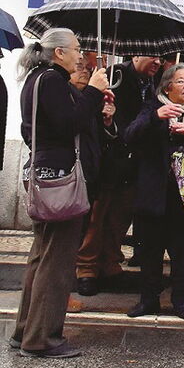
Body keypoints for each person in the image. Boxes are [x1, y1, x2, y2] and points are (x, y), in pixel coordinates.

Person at [12, 29, 110, 359]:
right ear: (58, 54)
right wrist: (94, 93)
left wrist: (93, 102)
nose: (81, 55)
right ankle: (42, 339)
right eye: (76, 49)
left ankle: (25, 331)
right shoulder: (52, 80)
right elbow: (69, 124)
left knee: (41, 255)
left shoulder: (38, 79)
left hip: (45, 173)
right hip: (61, 179)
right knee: (56, 262)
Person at [123, 63, 184, 321]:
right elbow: (130, 135)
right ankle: (148, 300)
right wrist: (157, 117)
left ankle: (181, 300)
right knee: (150, 250)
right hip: (154, 192)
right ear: (167, 87)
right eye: (180, 81)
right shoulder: (151, 107)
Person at [75, 56, 161, 296]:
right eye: (152, 56)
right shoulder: (115, 75)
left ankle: (111, 264)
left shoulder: (153, 83)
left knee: (120, 218)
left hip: (135, 160)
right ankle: (86, 269)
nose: (157, 61)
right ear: (136, 55)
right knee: (96, 217)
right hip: (109, 158)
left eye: (160, 57)